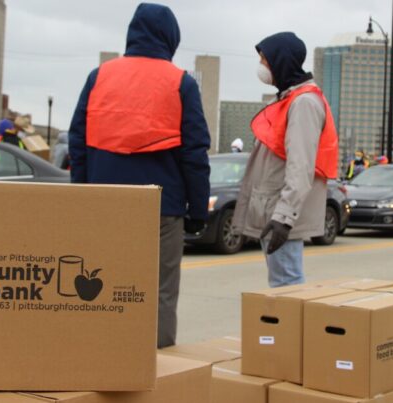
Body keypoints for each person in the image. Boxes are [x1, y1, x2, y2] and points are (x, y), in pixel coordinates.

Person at [68, 3, 210, 348]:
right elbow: (194, 153)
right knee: (160, 289)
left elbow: (78, 140)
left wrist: (82, 193)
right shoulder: (181, 82)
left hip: (105, 202)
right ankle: (159, 368)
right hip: (163, 206)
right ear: (171, 38)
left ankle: (101, 354)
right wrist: (197, 211)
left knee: (101, 280)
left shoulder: (99, 76)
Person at [233, 32, 339, 288]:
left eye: (264, 59)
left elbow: (300, 166)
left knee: (286, 286)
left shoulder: (303, 103)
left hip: (280, 215)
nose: (261, 66)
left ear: (280, 61)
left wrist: (284, 217)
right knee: (283, 286)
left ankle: (287, 330)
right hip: (274, 210)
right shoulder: (289, 99)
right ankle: (283, 329)